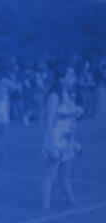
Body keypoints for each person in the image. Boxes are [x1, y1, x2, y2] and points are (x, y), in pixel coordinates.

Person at [40, 66, 83, 211]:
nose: (74, 78)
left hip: (68, 138)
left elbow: (72, 119)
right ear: (61, 78)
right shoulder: (54, 96)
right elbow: (48, 121)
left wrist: (73, 139)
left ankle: (71, 200)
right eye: (70, 75)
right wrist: (51, 143)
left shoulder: (70, 95)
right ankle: (45, 205)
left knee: (65, 173)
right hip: (56, 138)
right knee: (50, 174)